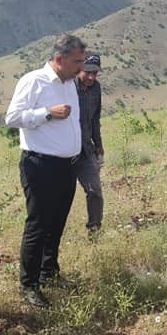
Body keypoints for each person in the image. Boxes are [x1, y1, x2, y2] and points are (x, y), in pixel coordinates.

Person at [5, 34, 86, 308]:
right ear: (59, 59)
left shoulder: (70, 83)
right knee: (38, 224)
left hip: (67, 165)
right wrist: (47, 113)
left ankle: (49, 272)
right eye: (77, 61)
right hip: (40, 165)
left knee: (57, 222)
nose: (81, 67)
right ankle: (29, 285)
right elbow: (13, 118)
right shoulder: (34, 81)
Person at [73, 52, 104, 233]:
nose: (92, 77)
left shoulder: (96, 89)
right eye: (88, 72)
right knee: (61, 196)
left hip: (86, 149)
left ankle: (94, 229)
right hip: (66, 151)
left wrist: (99, 146)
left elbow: (95, 119)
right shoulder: (68, 87)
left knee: (95, 191)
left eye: (95, 73)